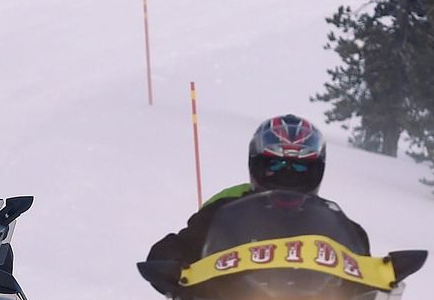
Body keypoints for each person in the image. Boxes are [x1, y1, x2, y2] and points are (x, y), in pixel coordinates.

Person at [148, 114, 370, 268]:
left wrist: (385, 272)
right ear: (256, 164)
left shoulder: (331, 221)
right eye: (276, 165)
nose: (288, 174)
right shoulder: (225, 210)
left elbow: (364, 268)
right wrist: (172, 262)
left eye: (300, 167)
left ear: (317, 170)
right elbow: (183, 245)